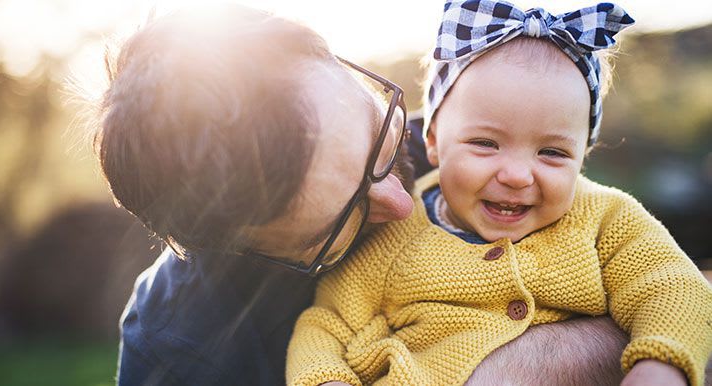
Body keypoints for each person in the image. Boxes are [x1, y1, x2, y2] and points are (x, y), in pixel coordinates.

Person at [94, 3, 630, 385]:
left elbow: (671, 289)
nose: (401, 203)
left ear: (340, 65)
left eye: (383, 137)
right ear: (235, 245)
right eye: (343, 219)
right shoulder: (180, 352)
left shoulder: (478, 148)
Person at [286, 1, 712, 386]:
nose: (516, 175)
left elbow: (673, 285)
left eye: (552, 152)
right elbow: (327, 326)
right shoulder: (396, 233)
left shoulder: (605, 218)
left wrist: (661, 363)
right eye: (486, 144)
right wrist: (327, 380)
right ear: (433, 139)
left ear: (583, 156)